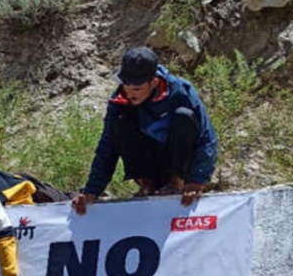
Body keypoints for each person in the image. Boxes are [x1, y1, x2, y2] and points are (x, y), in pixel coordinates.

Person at [71, 46, 218, 214]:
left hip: (177, 158)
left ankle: (176, 182)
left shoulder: (181, 92)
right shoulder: (119, 100)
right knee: (119, 123)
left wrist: (196, 181)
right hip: (148, 158)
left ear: (153, 82)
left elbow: (207, 138)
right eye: (126, 86)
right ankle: (147, 184)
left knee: (184, 116)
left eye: (137, 89)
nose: (130, 94)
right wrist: (92, 190)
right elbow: (107, 146)